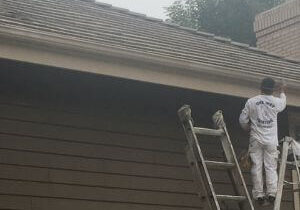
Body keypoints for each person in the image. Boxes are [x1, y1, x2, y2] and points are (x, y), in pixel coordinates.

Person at [239, 77, 286, 205]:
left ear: (261, 88)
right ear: (273, 90)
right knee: (271, 166)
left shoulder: (252, 102)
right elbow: (283, 102)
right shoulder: (276, 102)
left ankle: (259, 194)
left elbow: (243, 120)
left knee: (257, 166)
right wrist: (281, 91)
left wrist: (248, 128)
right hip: (271, 140)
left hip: (256, 139)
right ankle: (271, 193)